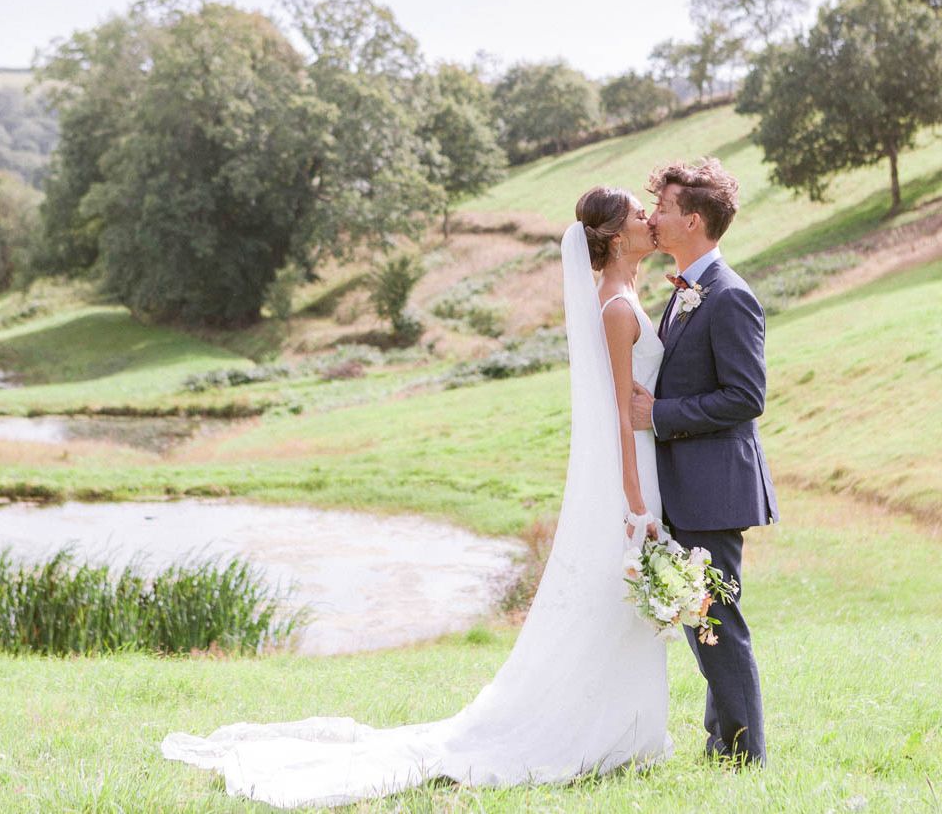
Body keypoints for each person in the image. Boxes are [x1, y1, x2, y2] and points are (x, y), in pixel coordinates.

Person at [161, 187, 671, 809]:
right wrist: (634, 499)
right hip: (629, 473)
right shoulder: (617, 306)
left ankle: (627, 727)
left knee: (615, 600)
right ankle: (597, 731)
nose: (652, 222)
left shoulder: (633, 294)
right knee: (610, 595)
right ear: (617, 236)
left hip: (641, 463)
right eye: (642, 217)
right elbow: (619, 412)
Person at [630, 157, 778, 767]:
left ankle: (746, 757)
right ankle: (726, 745)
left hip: (715, 486)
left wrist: (659, 415)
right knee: (705, 619)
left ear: (692, 220)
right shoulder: (688, 292)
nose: (653, 217)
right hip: (691, 485)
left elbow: (747, 397)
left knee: (716, 620)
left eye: (662, 209)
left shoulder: (729, 297)